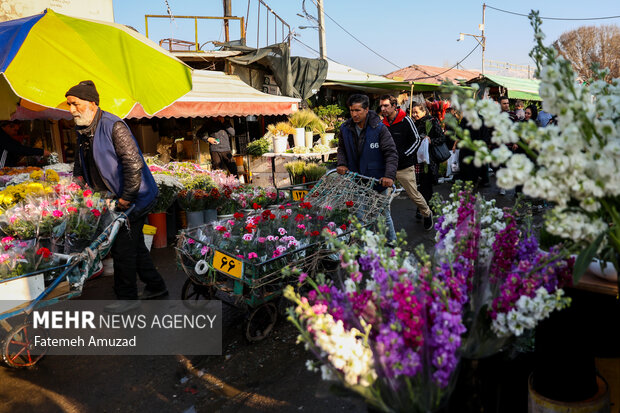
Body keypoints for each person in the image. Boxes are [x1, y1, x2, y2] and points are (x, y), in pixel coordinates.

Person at [66, 80, 168, 313]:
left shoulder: (114, 126)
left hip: (133, 197)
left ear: (92, 103)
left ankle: (127, 297)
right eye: (69, 104)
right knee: (134, 245)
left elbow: (133, 164)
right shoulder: (83, 129)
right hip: (110, 197)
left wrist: (126, 198)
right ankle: (156, 286)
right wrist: (77, 183)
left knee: (123, 248)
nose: (71, 110)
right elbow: (80, 162)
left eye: (76, 104)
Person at [336, 94, 399, 242]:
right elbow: (341, 149)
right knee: (360, 217)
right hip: (357, 180)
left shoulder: (379, 129)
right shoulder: (345, 128)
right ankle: (362, 250)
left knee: (382, 215)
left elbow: (391, 153)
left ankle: (392, 243)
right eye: (351, 110)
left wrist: (389, 176)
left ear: (367, 109)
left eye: (358, 110)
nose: (354, 114)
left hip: (378, 180)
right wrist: (341, 164)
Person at [379, 95, 433, 231]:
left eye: (386, 106)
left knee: (414, 195)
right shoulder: (381, 123)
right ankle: (386, 228)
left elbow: (416, 140)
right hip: (387, 168)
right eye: (381, 106)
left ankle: (427, 213)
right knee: (384, 199)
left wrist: (403, 156)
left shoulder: (406, 120)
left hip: (404, 166)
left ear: (394, 106)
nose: (383, 109)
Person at [411, 102, 445, 208]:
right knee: (420, 186)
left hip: (430, 160)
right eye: (412, 113)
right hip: (417, 160)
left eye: (416, 112)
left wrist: (431, 141)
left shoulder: (432, 121)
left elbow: (442, 138)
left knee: (427, 185)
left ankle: (428, 209)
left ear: (424, 112)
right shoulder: (414, 124)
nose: (414, 115)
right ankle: (423, 209)